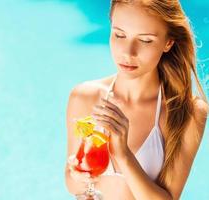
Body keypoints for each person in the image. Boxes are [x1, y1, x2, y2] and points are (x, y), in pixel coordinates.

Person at [65, 0, 209, 199]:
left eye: (146, 40)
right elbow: (72, 184)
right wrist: (79, 176)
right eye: (119, 35)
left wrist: (123, 154)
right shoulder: (84, 97)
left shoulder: (189, 111)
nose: (128, 52)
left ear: (168, 42)